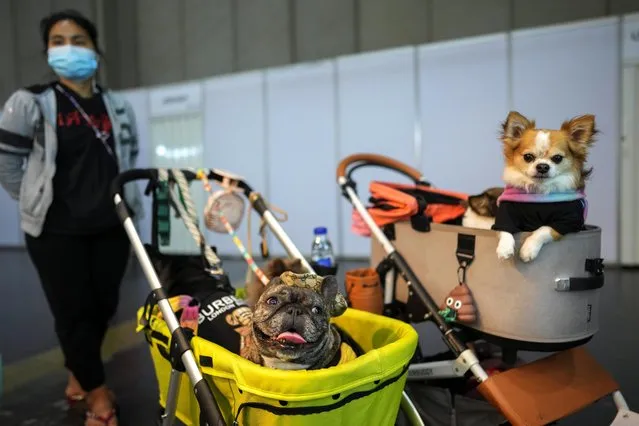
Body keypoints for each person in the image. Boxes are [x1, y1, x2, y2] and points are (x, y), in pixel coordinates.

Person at [0, 9, 142, 426]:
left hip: (110, 226)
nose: (69, 48)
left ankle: (79, 372)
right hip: (56, 231)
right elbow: (7, 165)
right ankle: (97, 398)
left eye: (78, 40)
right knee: (73, 313)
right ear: (47, 51)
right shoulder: (31, 103)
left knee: (103, 309)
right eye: (58, 41)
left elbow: (127, 158)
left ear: (94, 48)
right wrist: (32, 200)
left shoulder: (116, 105)